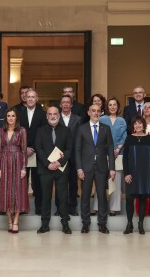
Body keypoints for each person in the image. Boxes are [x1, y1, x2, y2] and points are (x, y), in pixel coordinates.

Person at [76, 104, 115, 234]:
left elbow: (110, 148)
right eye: (93, 110)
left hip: (102, 167)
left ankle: (102, 224)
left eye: (98, 111)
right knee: (85, 196)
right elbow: (77, 149)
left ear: (101, 113)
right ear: (88, 112)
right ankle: (85, 224)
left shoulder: (106, 128)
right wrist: (79, 168)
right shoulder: (81, 129)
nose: (96, 113)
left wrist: (112, 168)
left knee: (102, 196)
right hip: (86, 168)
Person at [36, 106, 72, 234]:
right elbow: (38, 148)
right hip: (45, 169)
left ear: (59, 115)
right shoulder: (40, 131)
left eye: (55, 114)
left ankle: (65, 223)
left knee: (63, 197)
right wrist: (47, 164)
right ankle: (44, 224)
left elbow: (69, 149)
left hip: (61, 169)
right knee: (45, 198)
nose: (52, 116)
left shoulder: (67, 131)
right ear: (47, 116)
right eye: (50, 114)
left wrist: (59, 162)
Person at [92, 97, 127, 216]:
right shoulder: (102, 119)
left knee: (115, 181)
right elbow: (97, 135)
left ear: (118, 107)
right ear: (107, 107)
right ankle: (97, 207)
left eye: (114, 105)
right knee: (100, 180)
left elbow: (125, 137)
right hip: (103, 154)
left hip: (118, 154)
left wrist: (118, 149)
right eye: (110, 105)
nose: (112, 107)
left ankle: (114, 208)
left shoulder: (122, 121)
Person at [0, 107, 28, 233]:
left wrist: (24, 167)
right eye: (8, 116)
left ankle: (16, 220)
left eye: (13, 116)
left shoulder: (22, 131)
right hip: (4, 162)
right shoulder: (1, 131)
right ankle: (9, 220)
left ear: (16, 118)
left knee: (18, 191)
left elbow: (24, 150)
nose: (10, 118)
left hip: (18, 162)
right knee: (6, 191)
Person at [19, 88, 47, 215]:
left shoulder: (43, 114)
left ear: (37, 99)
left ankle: (39, 208)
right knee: (22, 181)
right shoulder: (18, 113)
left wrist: (34, 148)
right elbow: (16, 132)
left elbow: (43, 134)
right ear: (25, 98)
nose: (30, 99)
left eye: (32, 97)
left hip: (37, 153)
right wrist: (24, 148)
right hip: (21, 151)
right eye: (28, 97)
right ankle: (23, 208)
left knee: (37, 182)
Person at [123, 116, 150, 235]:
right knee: (129, 198)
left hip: (145, 174)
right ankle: (129, 224)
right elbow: (125, 158)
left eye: (140, 123)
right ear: (133, 126)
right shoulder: (129, 139)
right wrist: (126, 173)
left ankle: (140, 224)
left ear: (143, 125)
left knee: (143, 198)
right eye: (135, 124)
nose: (137, 125)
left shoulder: (149, 138)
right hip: (131, 173)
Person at [57, 95, 82, 216]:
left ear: (71, 105)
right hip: (59, 155)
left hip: (73, 155)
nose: (66, 104)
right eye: (63, 102)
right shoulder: (55, 118)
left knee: (73, 183)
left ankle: (72, 207)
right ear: (60, 105)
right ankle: (59, 208)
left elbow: (79, 137)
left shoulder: (78, 119)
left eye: (68, 102)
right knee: (59, 184)